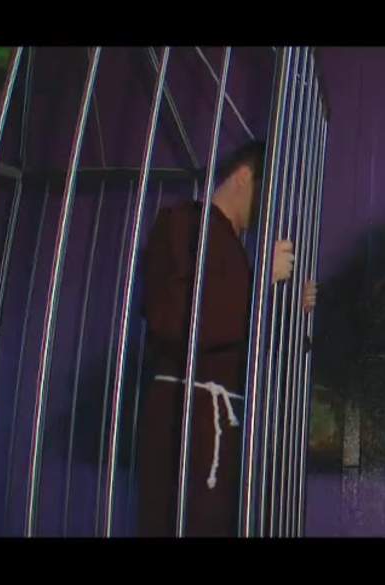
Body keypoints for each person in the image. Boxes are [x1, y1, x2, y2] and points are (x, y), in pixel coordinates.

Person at [137, 140, 317, 536]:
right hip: (184, 422)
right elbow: (178, 318)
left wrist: (290, 312)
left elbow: (243, 336)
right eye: (268, 192)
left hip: (218, 424)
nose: (270, 208)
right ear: (243, 177)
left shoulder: (232, 246)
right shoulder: (183, 223)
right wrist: (260, 282)